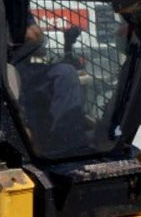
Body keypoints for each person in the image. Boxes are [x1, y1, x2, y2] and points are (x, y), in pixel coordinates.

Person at [10, 16, 87, 156]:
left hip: (24, 65)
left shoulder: (17, 3)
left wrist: (31, 39)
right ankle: (26, 138)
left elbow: (35, 36)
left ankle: (66, 141)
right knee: (11, 78)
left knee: (65, 72)